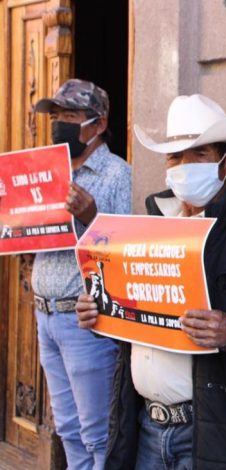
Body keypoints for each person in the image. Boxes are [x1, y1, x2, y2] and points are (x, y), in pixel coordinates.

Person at [75, 94, 226, 469]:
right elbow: (136, 317)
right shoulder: (146, 227)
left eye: (197, 155)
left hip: (213, 435)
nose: (183, 166)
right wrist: (99, 313)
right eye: (174, 157)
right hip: (145, 428)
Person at [32, 78, 132, 469]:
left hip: (86, 324)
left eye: (70, 116)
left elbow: (125, 253)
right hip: (46, 317)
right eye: (56, 116)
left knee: (97, 435)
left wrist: (92, 218)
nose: (60, 124)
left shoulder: (116, 174)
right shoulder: (45, 174)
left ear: (99, 124)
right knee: (69, 430)